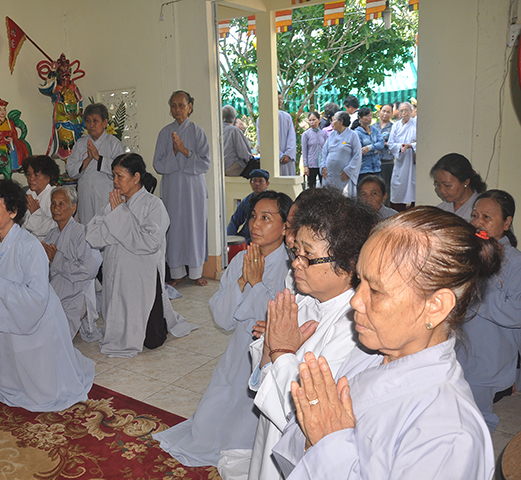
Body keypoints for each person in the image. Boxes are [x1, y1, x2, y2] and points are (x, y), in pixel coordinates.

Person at [271, 207, 498, 480]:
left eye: (376, 290)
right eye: (359, 281)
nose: (356, 301)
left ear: (436, 306)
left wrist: (329, 444)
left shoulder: (449, 436)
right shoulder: (371, 353)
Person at [220, 191, 377, 480]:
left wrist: (281, 351)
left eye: (308, 256)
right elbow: (264, 367)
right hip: (270, 430)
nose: (296, 264)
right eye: (296, 253)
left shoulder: (354, 331)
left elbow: (307, 414)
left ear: (348, 264)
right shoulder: (305, 299)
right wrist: (272, 348)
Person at [155, 191, 293, 467]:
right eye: (253, 216)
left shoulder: (291, 268)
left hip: (269, 358)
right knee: (207, 423)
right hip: (238, 350)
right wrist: (242, 281)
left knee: (248, 432)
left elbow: (278, 322)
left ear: (285, 227)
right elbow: (222, 318)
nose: (255, 224)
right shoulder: (241, 261)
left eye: (266, 218)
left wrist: (256, 284)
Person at [0, 179, 95, 411]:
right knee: (11, 360)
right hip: (7, 315)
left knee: (43, 386)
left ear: (13, 211)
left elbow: (37, 296)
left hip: (37, 318)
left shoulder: (30, 245)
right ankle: (14, 386)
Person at [87, 153, 198, 358]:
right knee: (119, 322)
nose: (115, 181)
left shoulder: (154, 205)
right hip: (116, 272)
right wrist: (119, 222)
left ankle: (161, 323)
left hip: (142, 275)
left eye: (120, 176)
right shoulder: (113, 203)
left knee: (152, 340)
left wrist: (118, 220)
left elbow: (149, 242)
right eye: (114, 176)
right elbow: (92, 235)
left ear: (136, 177)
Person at [459, 190, 520, 432]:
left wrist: (481, 292)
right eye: (475, 215)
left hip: (489, 356)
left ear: (506, 223)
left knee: (478, 418)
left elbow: (517, 313)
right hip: (460, 348)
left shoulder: (515, 262)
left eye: (486, 217)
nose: (478, 222)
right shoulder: (469, 253)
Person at [153, 91, 210, 287]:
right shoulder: (164, 133)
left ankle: (196, 273)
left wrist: (184, 151)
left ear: (190, 107)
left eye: (181, 105)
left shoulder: (197, 132)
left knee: (195, 226)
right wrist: (174, 154)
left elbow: (205, 162)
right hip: (173, 187)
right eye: (173, 105)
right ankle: (177, 273)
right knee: (174, 227)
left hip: (194, 188)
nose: (177, 109)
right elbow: (157, 164)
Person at [42, 186, 103, 342]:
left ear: (73, 207)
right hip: (55, 294)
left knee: (53, 340)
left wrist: (57, 258)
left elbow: (90, 269)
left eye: (61, 204)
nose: (56, 208)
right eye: (53, 203)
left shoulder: (82, 233)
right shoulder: (51, 234)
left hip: (76, 295)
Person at [65, 103, 125, 224]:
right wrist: (87, 160)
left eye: (95, 121)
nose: (91, 125)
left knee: (107, 227)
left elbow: (121, 170)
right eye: (88, 121)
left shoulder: (114, 143)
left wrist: (98, 158)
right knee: (87, 227)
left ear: (105, 122)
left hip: (106, 196)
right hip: (85, 196)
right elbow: (70, 170)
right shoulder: (81, 144)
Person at [431, 153, 486, 223]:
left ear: (466, 182)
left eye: (447, 185)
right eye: (438, 185)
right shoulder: (440, 211)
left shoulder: (483, 210)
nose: (442, 191)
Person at [320, 112, 362, 196]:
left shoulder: (353, 135)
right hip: (329, 175)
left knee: (344, 197)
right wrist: (323, 166)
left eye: (334, 120)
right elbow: (324, 151)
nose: (332, 123)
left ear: (341, 121)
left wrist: (349, 170)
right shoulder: (332, 134)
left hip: (344, 175)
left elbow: (357, 155)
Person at [256, 92, 297, 176]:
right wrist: (280, 155)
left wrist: (288, 155)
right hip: (271, 160)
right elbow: (263, 142)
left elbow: (291, 138)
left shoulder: (287, 117)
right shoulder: (261, 119)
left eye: (280, 99)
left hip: (287, 161)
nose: (280, 101)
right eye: (277, 99)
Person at [22, 155, 59, 243]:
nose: (31, 179)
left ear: (48, 177)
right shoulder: (28, 193)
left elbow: (56, 227)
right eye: (28, 174)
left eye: (37, 175)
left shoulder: (56, 196)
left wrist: (36, 212)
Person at [227, 169, 270, 243]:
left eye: (260, 181)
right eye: (254, 181)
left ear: (267, 184)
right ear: (250, 183)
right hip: (246, 238)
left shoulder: (271, 202)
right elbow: (235, 220)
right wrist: (228, 239)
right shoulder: (247, 200)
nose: (257, 184)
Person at [387, 102, 416, 211]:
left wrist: (410, 146)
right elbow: (390, 144)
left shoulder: (416, 124)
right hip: (400, 161)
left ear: (411, 111)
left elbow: (422, 142)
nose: (404, 113)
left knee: (413, 186)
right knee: (398, 187)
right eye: (401, 110)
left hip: (412, 161)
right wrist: (401, 147)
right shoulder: (396, 125)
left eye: (406, 110)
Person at [352, 107, 384, 184]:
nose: (370, 118)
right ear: (360, 117)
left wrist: (369, 148)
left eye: (370, 116)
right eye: (367, 116)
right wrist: (375, 150)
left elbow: (381, 143)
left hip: (376, 167)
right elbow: (360, 151)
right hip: (363, 168)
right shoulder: (356, 133)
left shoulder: (374, 130)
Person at [223, 105, 254, 176]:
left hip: (219, 168)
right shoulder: (234, 130)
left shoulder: (217, 130)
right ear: (235, 118)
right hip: (231, 168)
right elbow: (243, 153)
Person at [373, 104, 395, 201]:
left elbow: (394, 143)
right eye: (384, 111)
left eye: (388, 112)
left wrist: (381, 144)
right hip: (374, 161)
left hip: (387, 161)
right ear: (379, 112)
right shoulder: (373, 127)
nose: (385, 114)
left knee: (386, 187)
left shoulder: (393, 127)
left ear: (391, 114)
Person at [301, 112, 325, 188]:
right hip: (311, 164)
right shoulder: (306, 134)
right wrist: (305, 166)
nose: (312, 122)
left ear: (319, 120)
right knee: (312, 186)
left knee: (324, 185)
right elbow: (304, 151)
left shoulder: (323, 134)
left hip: (322, 164)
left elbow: (326, 149)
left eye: (314, 120)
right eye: (310, 120)